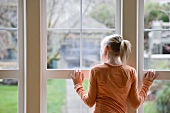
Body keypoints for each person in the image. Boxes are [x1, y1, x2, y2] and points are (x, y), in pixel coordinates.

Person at [70, 34, 158, 113]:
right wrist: (146, 84)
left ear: (107, 48)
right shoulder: (130, 71)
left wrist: (78, 85)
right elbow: (136, 104)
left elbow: (90, 102)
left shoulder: (96, 70)